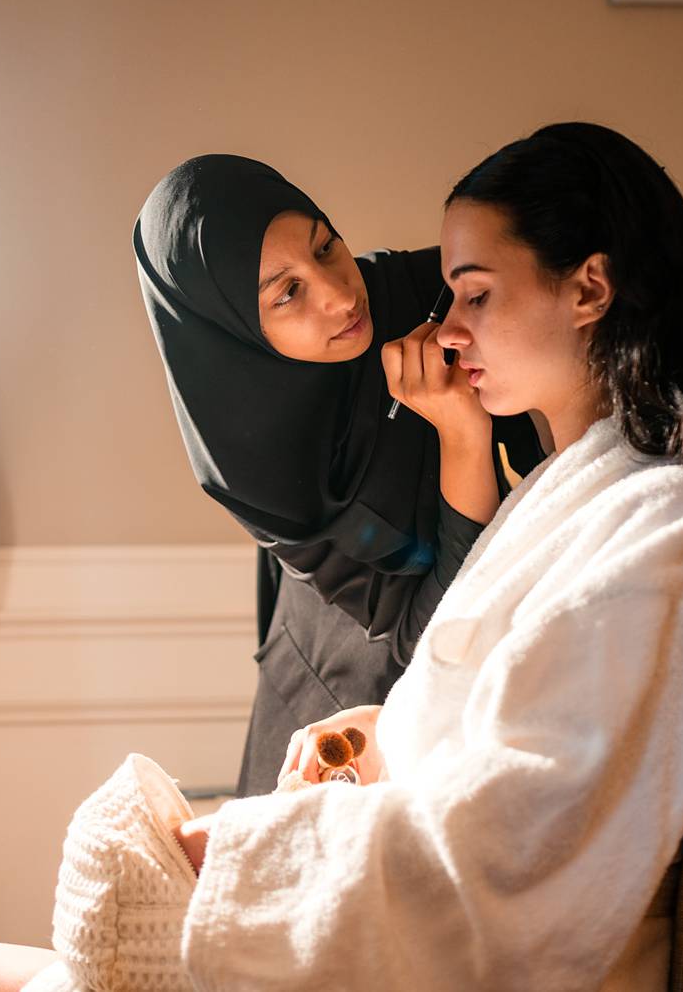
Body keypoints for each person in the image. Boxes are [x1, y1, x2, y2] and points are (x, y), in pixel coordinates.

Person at [0, 123, 683, 991]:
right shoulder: (584, 499)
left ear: (589, 286)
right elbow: (518, 720)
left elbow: (528, 842)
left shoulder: (661, 525)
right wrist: (381, 733)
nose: (432, 321)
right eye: (286, 292)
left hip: (397, 911)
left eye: (471, 293)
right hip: (341, 781)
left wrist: (243, 849)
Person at [134, 154, 545, 796]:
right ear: (236, 329)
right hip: (329, 695)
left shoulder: (425, 295)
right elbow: (423, 633)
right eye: (288, 292)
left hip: (465, 680)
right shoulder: (251, 463)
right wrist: (463, 434)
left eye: (325, 247)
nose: (339, 295)